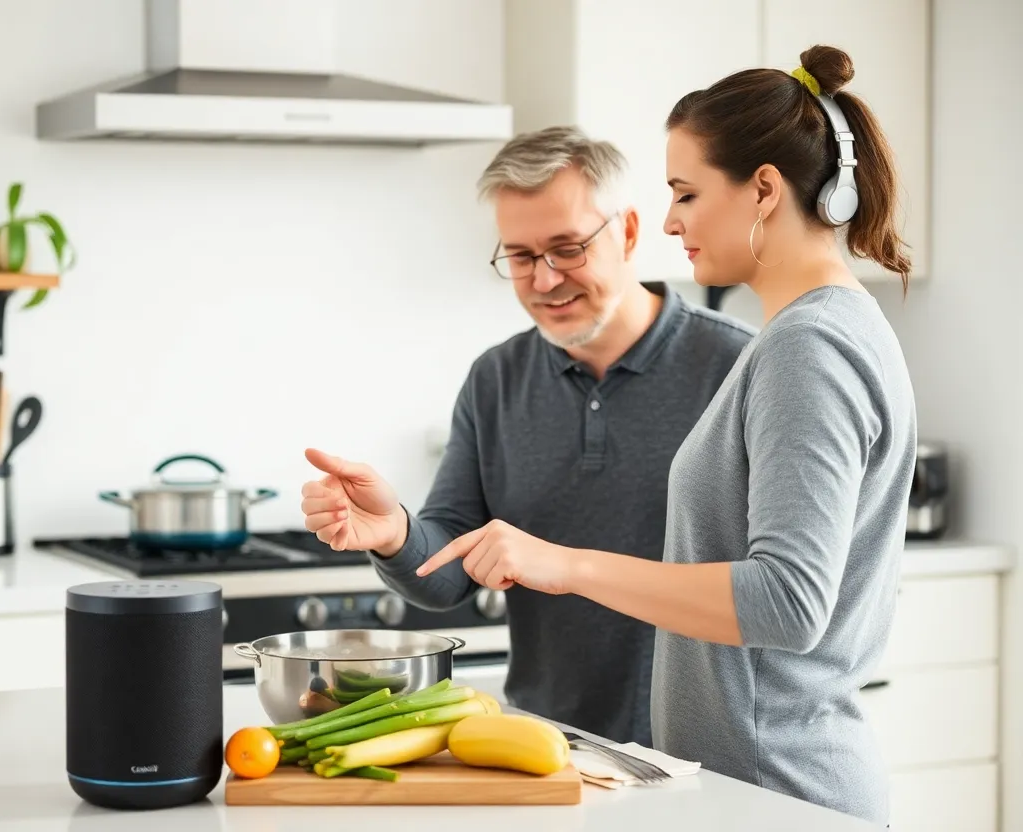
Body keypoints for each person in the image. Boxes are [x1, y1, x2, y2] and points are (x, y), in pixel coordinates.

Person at [413, 46, 917, 826]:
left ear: (763, 190)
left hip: (774, 789)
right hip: (746, 782)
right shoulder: (821, 331)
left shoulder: (806, 346)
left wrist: (566, 564)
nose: (674, 219)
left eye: (686, 192)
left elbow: (789, 602)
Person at [299, 125, 755, 747]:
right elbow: (448, 573)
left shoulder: (735, 367)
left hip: (706, 751)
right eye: (519, 256)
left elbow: (774, 591)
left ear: (626, 233)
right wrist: (396, 533)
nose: (543, 281)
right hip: (549, 745)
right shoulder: (496, 379)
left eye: (567, 249)